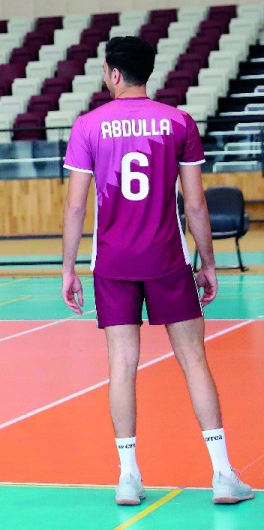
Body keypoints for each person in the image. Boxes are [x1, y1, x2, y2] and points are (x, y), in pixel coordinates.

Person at [61, 36, 254, 506]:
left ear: (112, 73)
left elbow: (76, 206)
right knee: (194, 361)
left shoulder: (88, 126)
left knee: (121, 366)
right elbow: (194, 204)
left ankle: (128, 477)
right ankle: (223, 474)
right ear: (147, 72)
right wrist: (208, 263)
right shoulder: (177, 122)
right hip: (168, 260)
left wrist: (68, 268)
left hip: (113, 263)